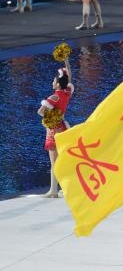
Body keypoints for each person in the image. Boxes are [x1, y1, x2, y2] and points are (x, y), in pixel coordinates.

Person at [38, 64, 74, 198]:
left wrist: (51, 116)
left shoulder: (54, 97)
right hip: (63, 128)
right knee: (62, 160)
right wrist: (67, 62)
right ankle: (64, 188)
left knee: (54, 162)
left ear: (58, 84)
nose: (52, 83)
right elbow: (69, 79)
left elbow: (40, 112)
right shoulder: (66, 93)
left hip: (53, 130)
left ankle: (54, 190)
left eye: (54, 81)